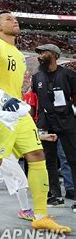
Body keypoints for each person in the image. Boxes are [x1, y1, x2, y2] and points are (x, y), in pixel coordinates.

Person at [0, 11, 71, 233]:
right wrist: (2, 96)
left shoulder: (17, 53)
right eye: (8, 19)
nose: (14, 20)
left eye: (15, 18)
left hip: (18, 112)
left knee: (37, 155)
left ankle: (40, 215)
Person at [32, 43, 76, 213]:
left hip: (67, 121)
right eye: (39, 52)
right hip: (46, 122)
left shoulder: (69, 75)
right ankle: (55, 195)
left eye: (44, 52)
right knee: (48, 159)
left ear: (54, 55)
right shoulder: (37, 77)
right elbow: (38, 100)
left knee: (73, 159)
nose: (40, 55)